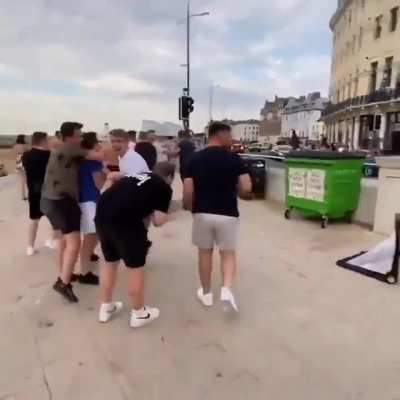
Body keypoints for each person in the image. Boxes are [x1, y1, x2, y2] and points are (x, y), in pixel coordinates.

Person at [95, 161, 174, 328]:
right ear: (170, 177)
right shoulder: (164, 187)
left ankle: (105, 307)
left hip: (102, 215)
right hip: (127, 223)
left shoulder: (136, 175)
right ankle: (139, 313)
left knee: (110, 263)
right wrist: (161, 213)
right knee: (135, 267)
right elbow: (159, 221)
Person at [183, 122, 252, 313]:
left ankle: (206, 294)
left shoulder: (193, 159)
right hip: (228, 214)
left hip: (202, 213)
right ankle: (226, 290)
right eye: (229, 135)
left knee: (204, 253)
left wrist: (191, 208)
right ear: (219, 135)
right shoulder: (235, 159)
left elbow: (188, 190)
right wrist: (236, 190)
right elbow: (247, 187)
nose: (231, 139)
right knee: (228, 253)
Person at [41, 122, 103, 303]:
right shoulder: (70, 148)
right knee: (74, 243)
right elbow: (99, 156)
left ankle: (64, 274)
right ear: (70, 136)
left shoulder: (61, 148)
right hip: (63, 201)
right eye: (79, 134)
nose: (81, 138)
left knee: (61, 239)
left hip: (49, 199)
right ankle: (63, 283)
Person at [76, 132, 106, 285]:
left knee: (92, 234)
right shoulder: (94, 163)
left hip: (82, 198)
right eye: (98, 142)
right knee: (90, 236)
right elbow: (99, 184)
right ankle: (84, 272)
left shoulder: (82, 160)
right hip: (89, 200)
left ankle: (90, 255)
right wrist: (106, 173)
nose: (100, 144)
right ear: (93, 144)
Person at [21, 132, 55, 255]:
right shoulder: (50, 155)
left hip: (33, 191)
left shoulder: (26, 155)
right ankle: (51, 240)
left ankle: (30, 246)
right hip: (49, 190)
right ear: (43, 141)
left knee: (34, 219)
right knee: (54, 218)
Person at [14, 134, 28, 200]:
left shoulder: (15, 146)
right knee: (25, 179)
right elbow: (26, 153)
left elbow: (15, 154)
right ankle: (25, 195)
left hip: (18, 161)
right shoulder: (24, 146)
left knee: (22, 179)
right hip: (24, 161)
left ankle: (23, 195)